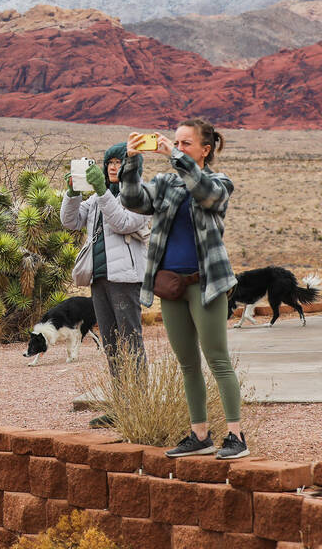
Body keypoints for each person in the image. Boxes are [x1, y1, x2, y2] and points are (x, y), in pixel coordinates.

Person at [119, 118, 248, 459]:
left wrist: (175, 158)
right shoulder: (164, 184)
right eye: (176, 142)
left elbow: (204, 193)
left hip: (206, 284)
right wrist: (132, 162)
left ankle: (236, 436)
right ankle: (199, 434)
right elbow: (132, 200)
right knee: (187, 363)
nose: (178, 147)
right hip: (171, 287)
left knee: (218, 359)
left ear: (205, 150)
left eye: (185, 143)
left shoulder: (220, 183)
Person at [61, 143, 150, 427]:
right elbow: (70, 221)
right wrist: (72, 193)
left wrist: (101, 193)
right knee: (111, 344)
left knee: (131, 341)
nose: (113, 167)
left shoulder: (140, 196)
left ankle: (139, 409)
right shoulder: (99, 197)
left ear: (131, 167)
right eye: (109, 161)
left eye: (119, 162)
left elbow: (123, 222)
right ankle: (121, 408)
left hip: (125, 280)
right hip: (99, 278)